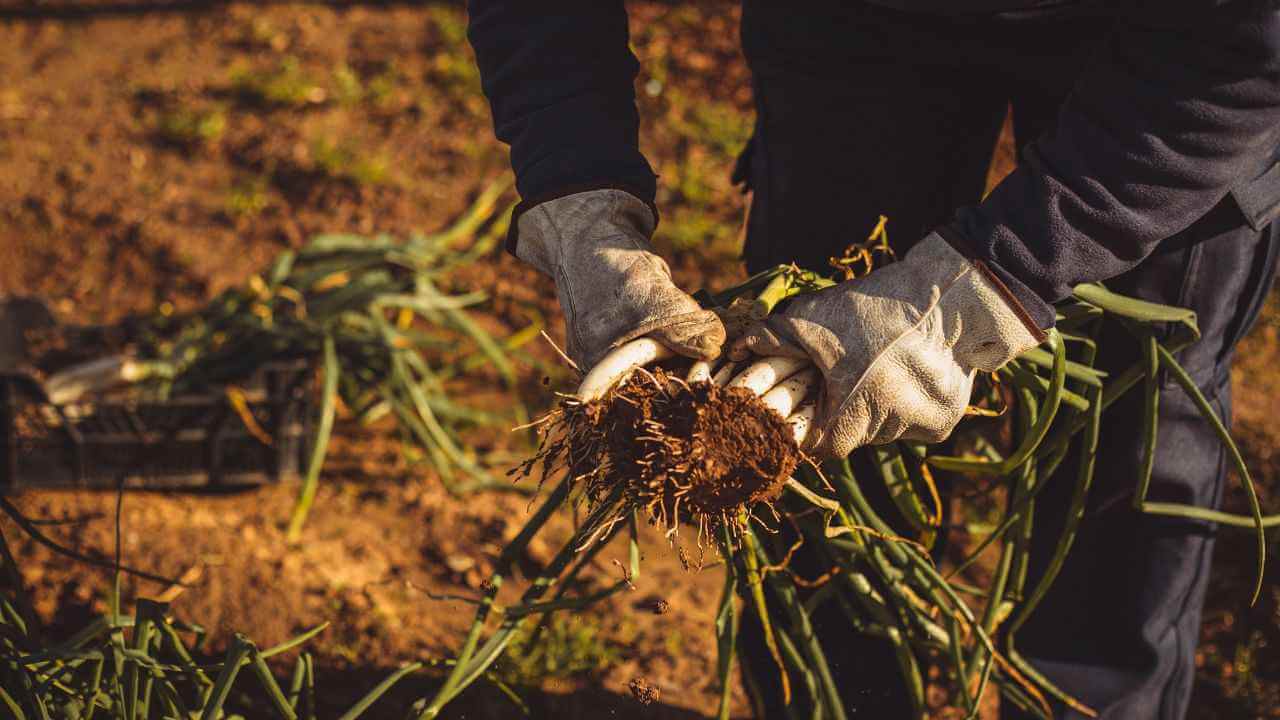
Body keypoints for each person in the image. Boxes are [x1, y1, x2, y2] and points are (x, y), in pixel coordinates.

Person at [467, 1, 1280, 717]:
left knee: (1133, 413)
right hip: (858, 25)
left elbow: (1248, 44)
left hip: (1182, 37)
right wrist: (576, 198)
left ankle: (1096, 703)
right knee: (810, 404)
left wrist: (1003, 277)